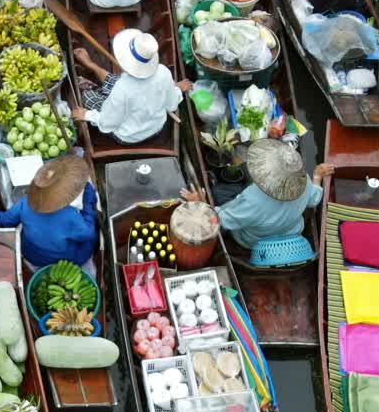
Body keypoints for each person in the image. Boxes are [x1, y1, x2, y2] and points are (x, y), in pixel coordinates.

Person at [182, 138, 330, 249]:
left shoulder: (253, 200)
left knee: (218, 192)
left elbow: (221, 220)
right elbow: (314, 199)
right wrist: (317, 176)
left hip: (254, 240)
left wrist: (201, 204)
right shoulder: (304, 180)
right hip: (290, 231)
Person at [0, 154, 98, 270]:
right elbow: (88, 234)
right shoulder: (70, 216)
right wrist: (88, 205)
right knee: (89, 241)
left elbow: (6, 220)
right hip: (63, 258)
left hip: (31, 254)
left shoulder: (25, 203)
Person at [71, 30, 190, 145]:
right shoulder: (164, 72)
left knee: (86, 96)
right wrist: (177, 89)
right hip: (156, 128)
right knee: (115, 81)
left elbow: (108, 123)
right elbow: (172, 104)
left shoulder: (122, 88)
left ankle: (93, 85)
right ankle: (91, 65)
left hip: (127, 137)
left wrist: (86, 115)